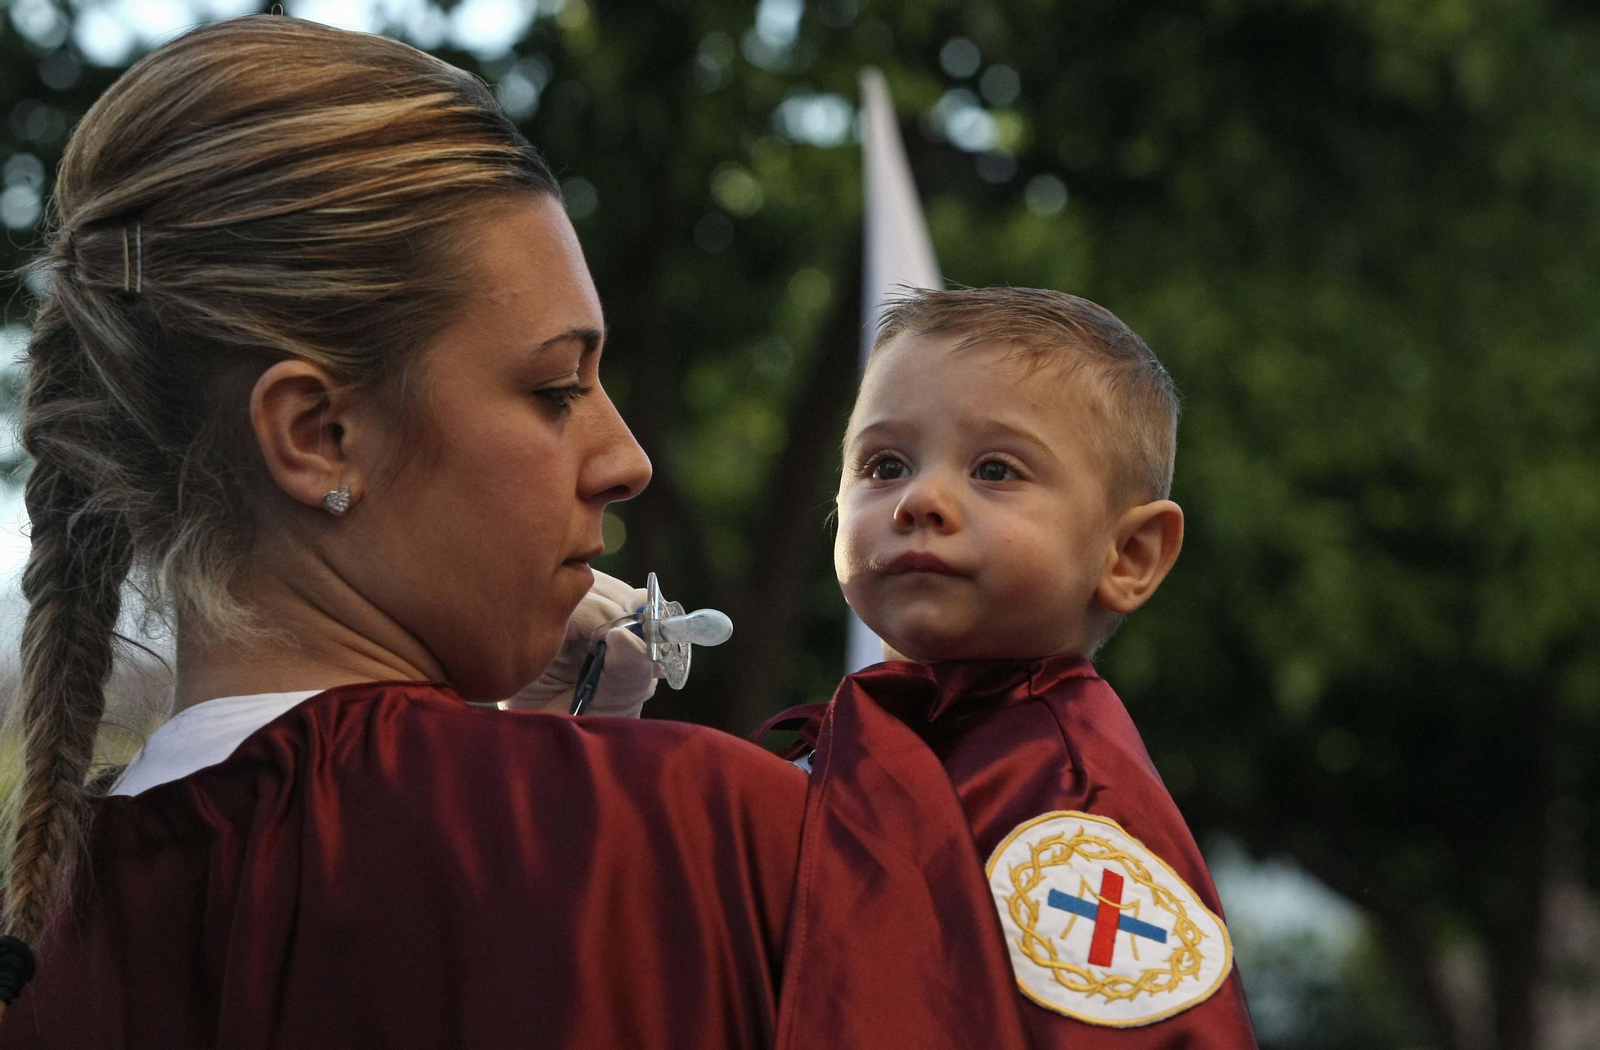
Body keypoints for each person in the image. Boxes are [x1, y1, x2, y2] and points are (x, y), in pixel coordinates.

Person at [0, 18, 1035, 1049]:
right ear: (318, 437)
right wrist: (584, 832)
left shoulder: (41, 950)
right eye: (553, 388)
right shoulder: (733, 834)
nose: (627, 458)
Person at [758, 288, 1260, 1046]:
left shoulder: (1074, 819)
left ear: (1129, 555)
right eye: (884, 463)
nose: (919, 499)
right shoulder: (849, 744)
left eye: (995, 470)